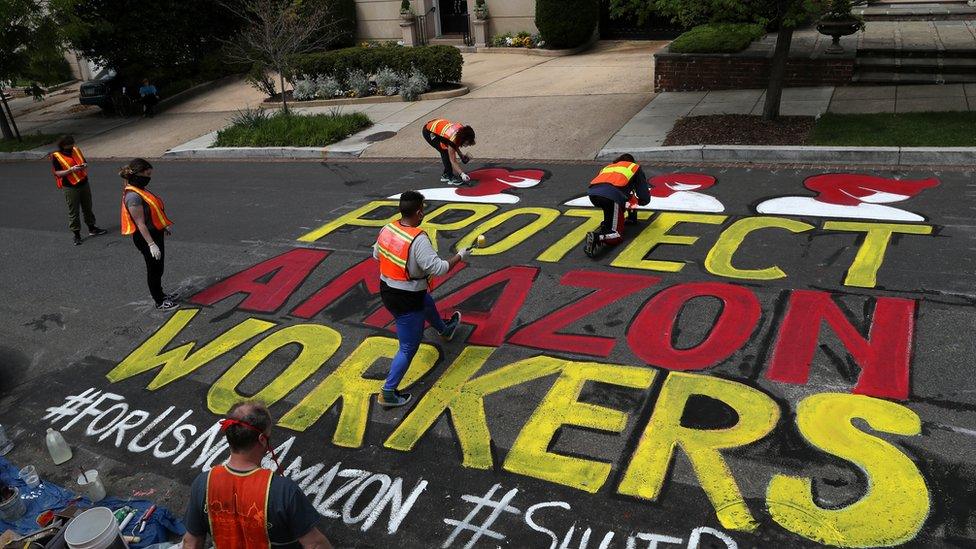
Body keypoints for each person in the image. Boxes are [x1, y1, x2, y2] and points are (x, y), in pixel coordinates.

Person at [182, 401, 334, 549]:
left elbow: (191, 543)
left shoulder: (203, 483)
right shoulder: (283, 491)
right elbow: (315, 544)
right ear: (262, 440)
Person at [374, 191, 468, 407]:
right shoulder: (418, 239)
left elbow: (376, 256)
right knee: (408, 347)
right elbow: (439, 268)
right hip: (407, 298)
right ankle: (388, 392)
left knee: (426, 301)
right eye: (422, 209)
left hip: (387, 289)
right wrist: (460, 256)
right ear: (419, 212)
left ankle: (445, 330)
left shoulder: (387, 229)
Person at [119, 158, 177, 310]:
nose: (149, 178)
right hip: (145, 238)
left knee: (159, 268)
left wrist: (163, 226)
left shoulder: (140, 190)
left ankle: (162, 294)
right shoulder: (133, 196)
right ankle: (159, 301)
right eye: (148, 174)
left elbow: (152, 212)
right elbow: (140, 223)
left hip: (155, 233)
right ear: (138, 174)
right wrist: (151, 244)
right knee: (154, 269)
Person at [584, 154, 651, 258]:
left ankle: (607, 225)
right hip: (611, 195)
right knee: (617, 235)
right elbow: (643, 194)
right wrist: (643, 201)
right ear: (632, 161)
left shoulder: (609, 167)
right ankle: (598, 237)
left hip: (593, 194)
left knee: (613, 205)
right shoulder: (634, 167)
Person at [51, 135, 107, 246]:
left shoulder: (76, 150)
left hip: (84, 183)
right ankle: (76, 235)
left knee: (88, 207)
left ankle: (92, 228)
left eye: (72, 145)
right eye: (68, 146)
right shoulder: (56, 156)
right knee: (74, 211)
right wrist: (71, 170)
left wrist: (83, 165)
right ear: (62, 146)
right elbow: (57, 173)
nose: (71, 148)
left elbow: (84, 161)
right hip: (70, 187)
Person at [422, 118, 475, 186]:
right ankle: (450, 177)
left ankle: (446, 174)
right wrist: (462, 174)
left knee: (447, 150)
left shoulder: (461, 132)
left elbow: (455, 144)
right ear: (463, 139)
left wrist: (461, 155)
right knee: (444, 151)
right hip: (429, 132)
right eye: (467, 143)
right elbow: (453, 160)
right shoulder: (453, 139)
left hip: (436, 126)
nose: (467, 145)